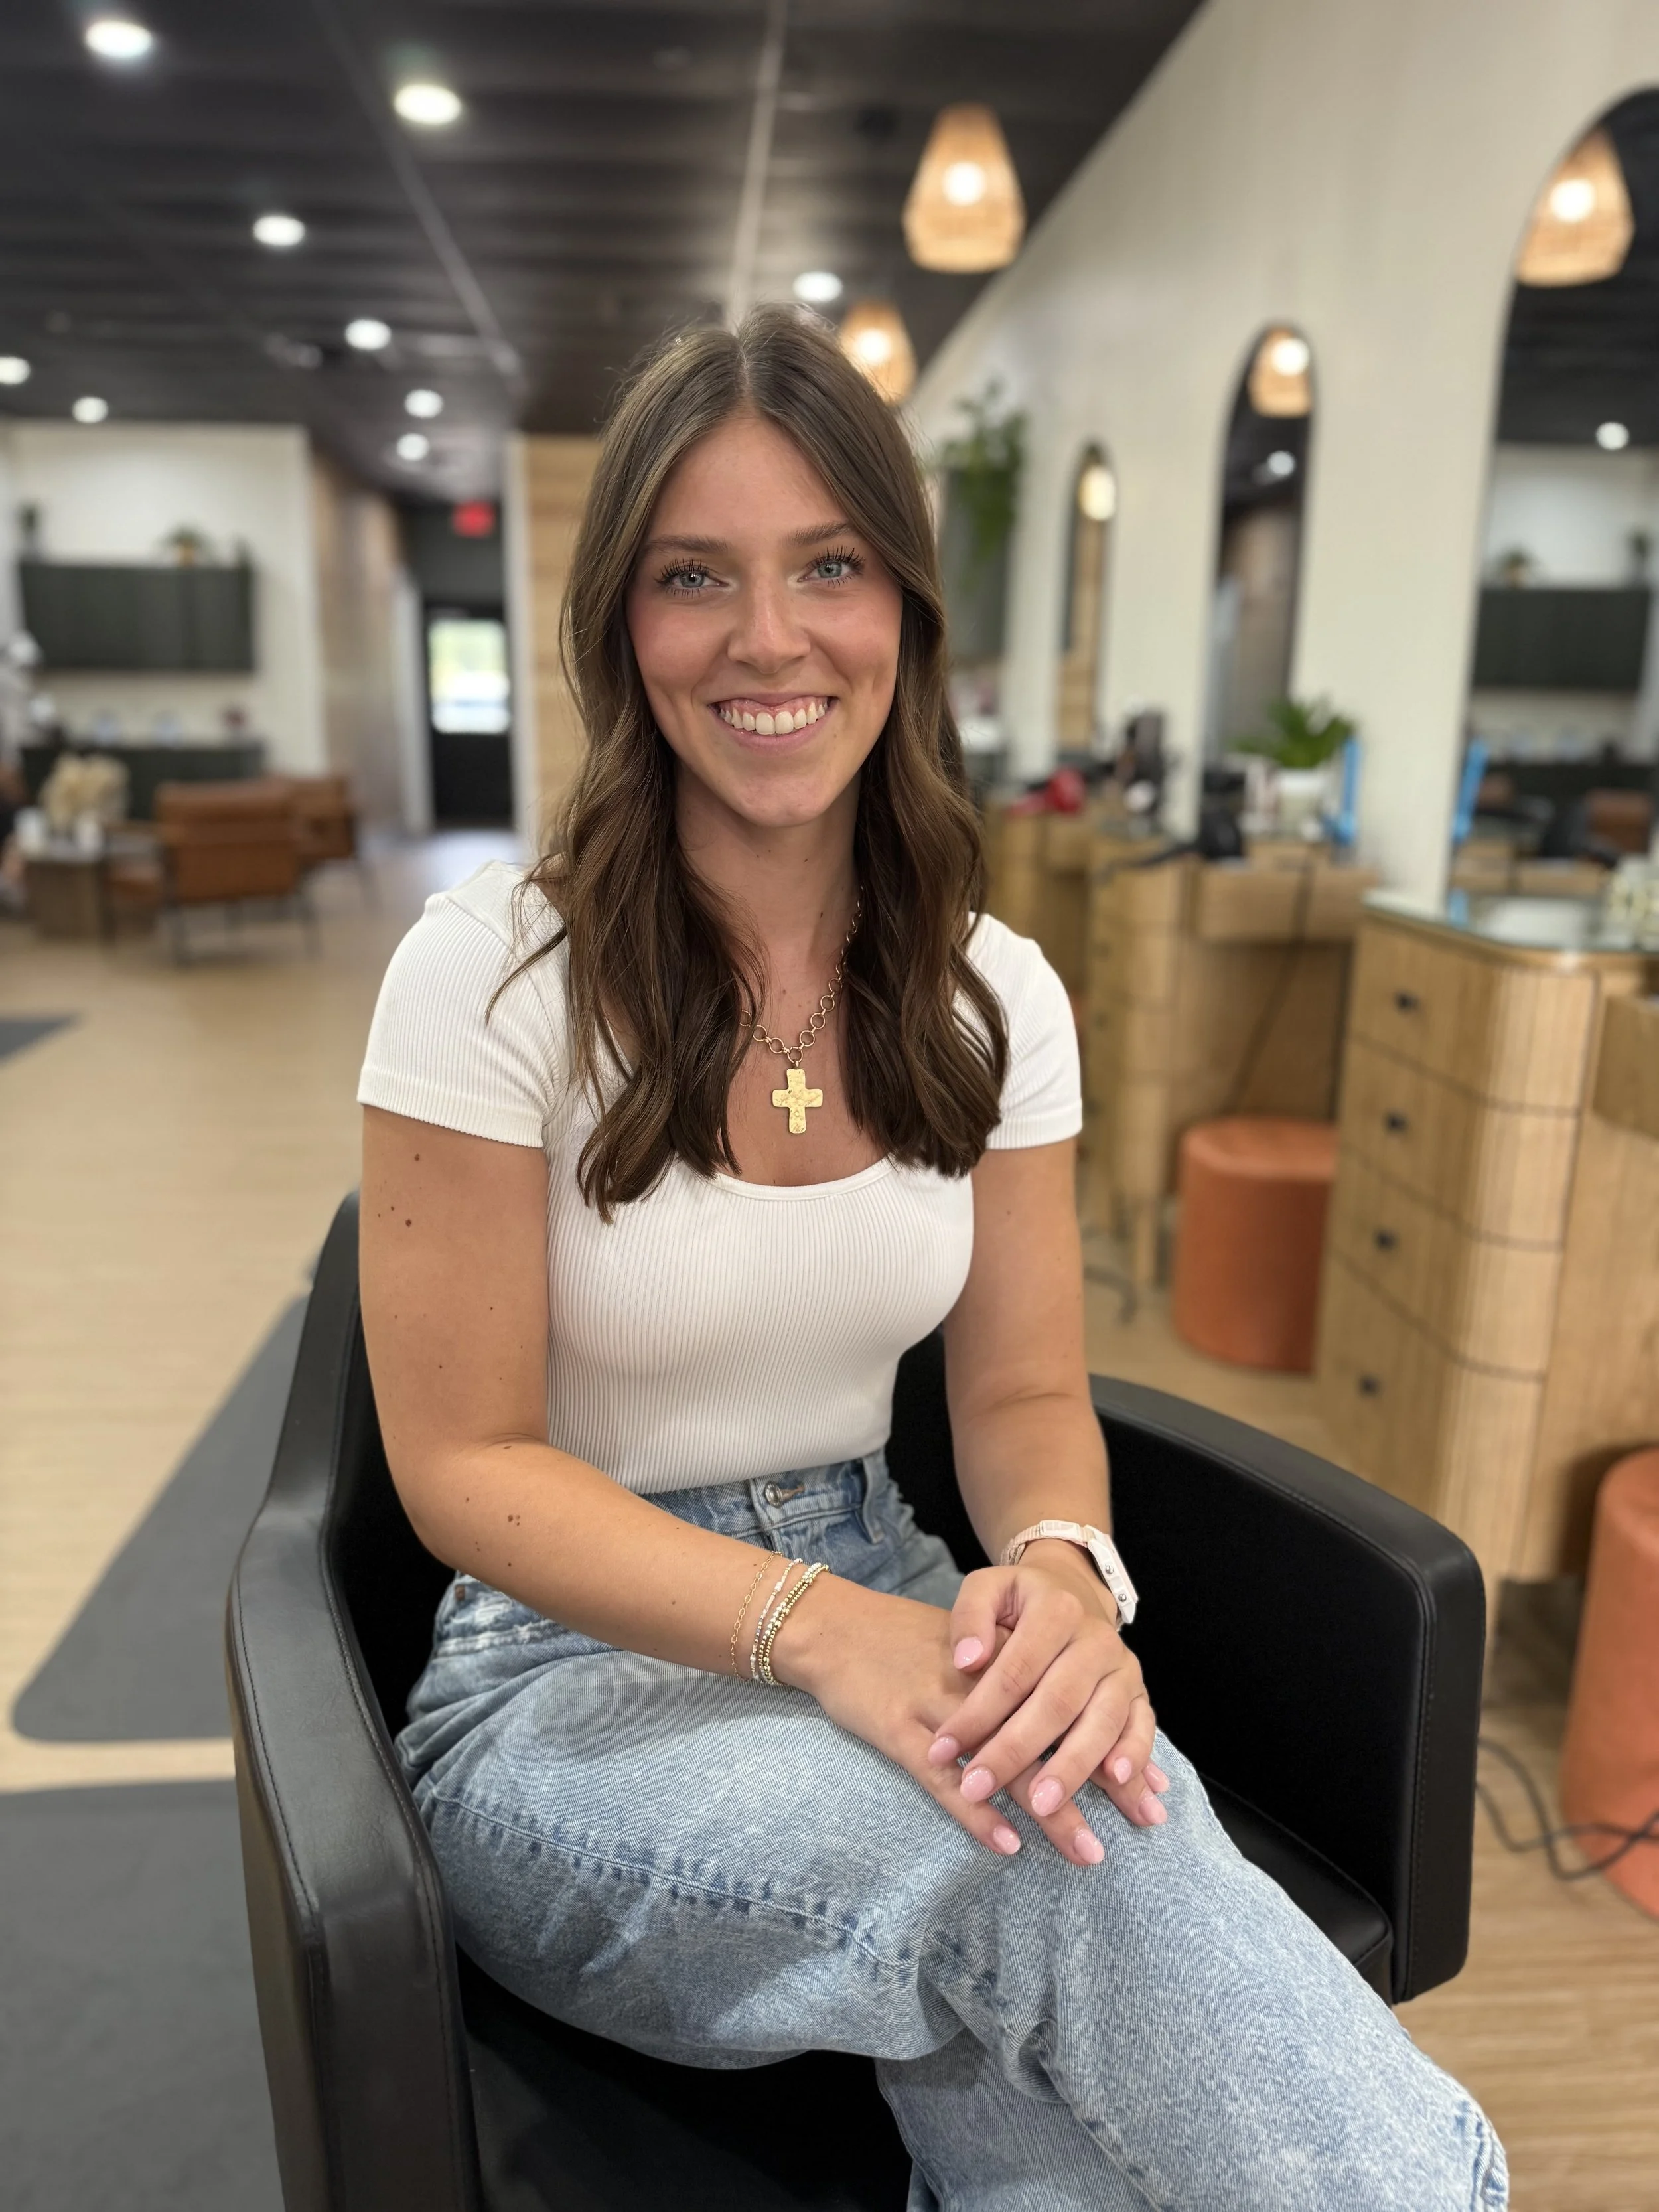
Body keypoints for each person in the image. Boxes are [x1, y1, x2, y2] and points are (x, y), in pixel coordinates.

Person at [358, 306, 1507, 2210]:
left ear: (904, 603)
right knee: (1049, 1860)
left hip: (895, 1579)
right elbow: (459, 1464)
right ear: (619, 626)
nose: (769, 637)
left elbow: (1026, 1389)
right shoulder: (493, 974)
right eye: (693, 577)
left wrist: (1059, 1567)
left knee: (1053, 2062)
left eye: (828, 566)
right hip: (567, 1684)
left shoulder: (994, 996)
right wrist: (823, 1633)